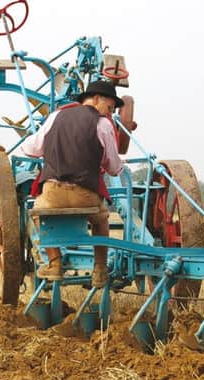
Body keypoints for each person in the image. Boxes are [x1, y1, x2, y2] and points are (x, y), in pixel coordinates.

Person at [20, 80, 124, 288]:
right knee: (102, 218)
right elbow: (113, 167)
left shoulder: (55, 117)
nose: (110, 113)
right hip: (85, 194)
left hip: (52, 194)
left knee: (38, 213)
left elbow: (31, 149)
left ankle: (55, 263)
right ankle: (100, 269)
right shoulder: (102, 125)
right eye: (110, 107)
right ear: (96, 99)